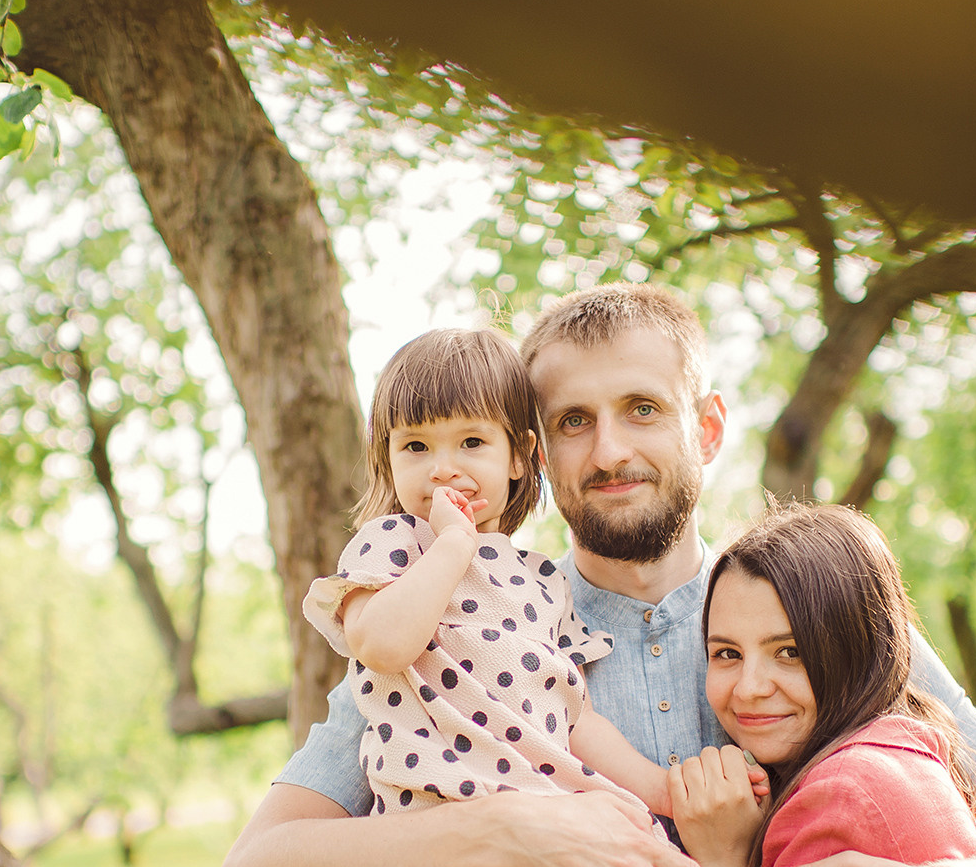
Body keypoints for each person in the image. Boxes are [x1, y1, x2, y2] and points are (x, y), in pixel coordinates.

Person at [218, 283, 976, 867]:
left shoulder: (822, 607)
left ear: (709, 427)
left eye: (642, 409)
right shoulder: (447, 633)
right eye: (574, 421)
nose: (609, 451)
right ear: (535, 451)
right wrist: (508, 833)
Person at [304, 326, 729, 818]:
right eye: (415, 447)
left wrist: (660, 794)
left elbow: (575, 716)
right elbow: (381, 646)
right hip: (433, 823)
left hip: (547, 816)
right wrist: (453, 545)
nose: (442, 468)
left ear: (522, 458)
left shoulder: (542, 582)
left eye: (470, 441)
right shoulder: (394, 548)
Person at [666, 504, 976, 867]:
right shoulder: (898, 755)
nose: (749, 688)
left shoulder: (839, 798)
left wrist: (723, 866)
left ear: (856, 651)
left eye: (789, 651)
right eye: (727, 654)